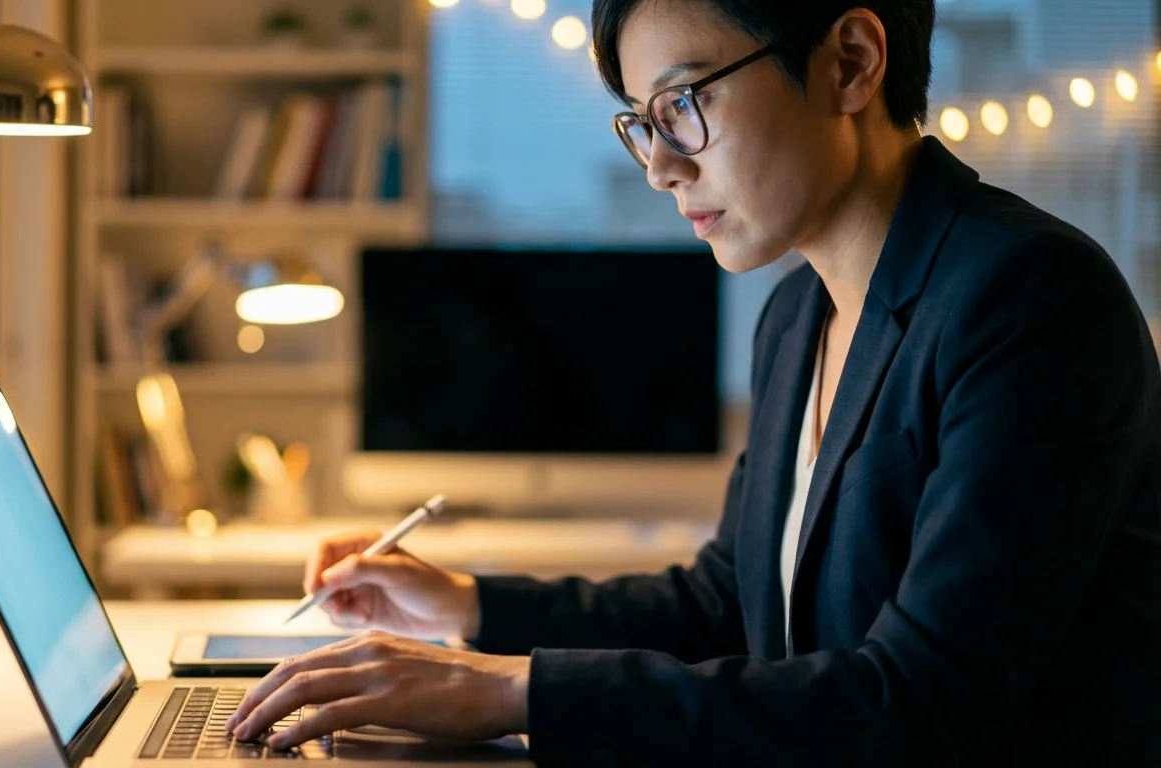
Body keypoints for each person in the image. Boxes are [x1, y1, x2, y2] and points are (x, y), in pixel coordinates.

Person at [225, 1, 1161, 764]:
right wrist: (468, 606)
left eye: (684, 104)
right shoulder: (798, 314)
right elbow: (727, 606)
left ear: (850, 61)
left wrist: (506, 692)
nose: (662, 168)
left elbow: (917, 707)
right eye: (642, 124)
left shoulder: (1029, 300)